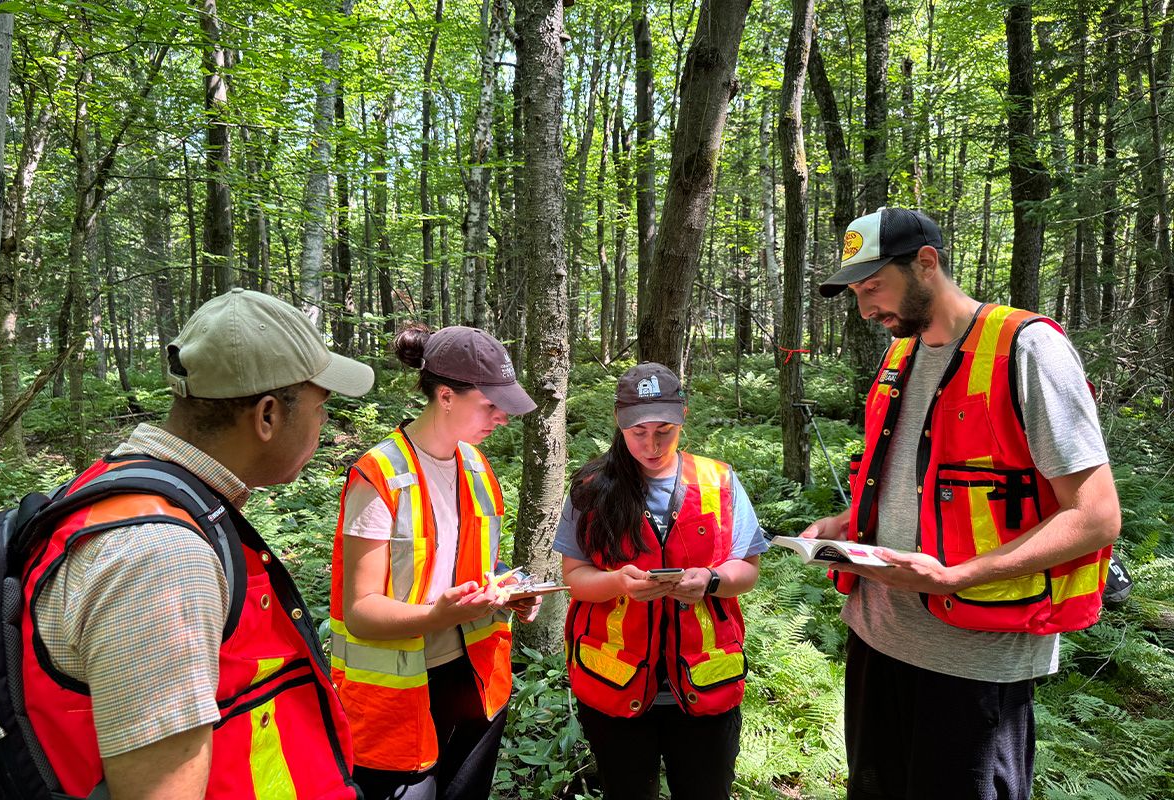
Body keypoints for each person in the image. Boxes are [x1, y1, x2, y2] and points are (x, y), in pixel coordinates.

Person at [805, 207, 1120, 800]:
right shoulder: (902, 355)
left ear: (927, 263)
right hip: (877, 637)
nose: (865, 308)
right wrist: (849, 523)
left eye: (874, 287)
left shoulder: (1027, 350)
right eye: (856, 292)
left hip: (975, 658)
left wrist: (956, 577)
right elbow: (919, 482)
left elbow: (1095, 514)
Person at [20, 288, 373, 799]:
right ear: (267, 416)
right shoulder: (162, 559)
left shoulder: (131, 489)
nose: (323, 428)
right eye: (322, 409)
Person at [330, 324, 539, 800]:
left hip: (474, 681)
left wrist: (511, 593)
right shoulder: (378, 475)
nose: (501, 419)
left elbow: (466, 566)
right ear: (446, 396)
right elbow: (360, 610)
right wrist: (435, 617)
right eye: (490, 406)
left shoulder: (476, 466)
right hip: (398, 695)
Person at [553, 362, 768, 800]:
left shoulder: (719, 481)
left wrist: (710, 580)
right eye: (638, 432)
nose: (651, 444)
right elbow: (575, 579)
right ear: (619, 422)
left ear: (683, 416)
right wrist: (618, 583)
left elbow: (746, 571)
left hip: (706, 683)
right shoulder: (591, 488)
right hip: (616, 684)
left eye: (664, 430)